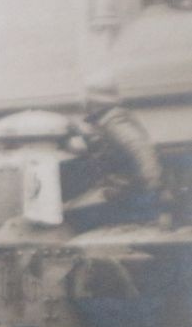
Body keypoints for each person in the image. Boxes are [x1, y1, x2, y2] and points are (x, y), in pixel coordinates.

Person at [67, 74, 167, 226]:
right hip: (119, 191)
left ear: (92, 99)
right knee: (70, 210)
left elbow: (141, 151)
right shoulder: (105, 120)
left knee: (69, 217)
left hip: (124, 194)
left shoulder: (114, 121)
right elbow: (104, 148)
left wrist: (153, 191)